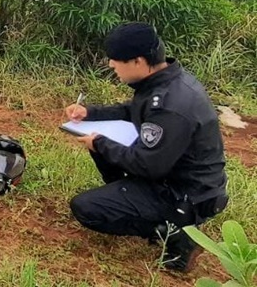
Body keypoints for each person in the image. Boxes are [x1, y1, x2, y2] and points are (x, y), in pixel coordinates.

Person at [65, 22, 228, 273]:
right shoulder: (163, 82)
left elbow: (147, 164)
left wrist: (99, 142)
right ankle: (131, 198)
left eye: (116, 60)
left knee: (86, 208)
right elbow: (133, 111)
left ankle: (178, 234)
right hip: (173, 175)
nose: (111, 65)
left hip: (186, 194)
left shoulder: (171, 105)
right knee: (105, 146)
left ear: (138, 61)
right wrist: (90, 113)